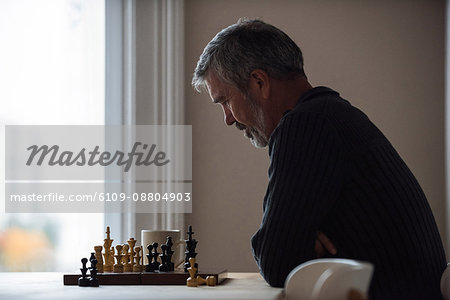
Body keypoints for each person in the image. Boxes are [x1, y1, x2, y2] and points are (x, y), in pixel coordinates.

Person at [192, 19, 447, 299]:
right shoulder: (332, 115)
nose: (228, 119)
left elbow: (276, 260)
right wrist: (296, 238)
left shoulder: (306, 125)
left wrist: (290, 241)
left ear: (259, 82)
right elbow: (284, 249)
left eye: (225, 101)